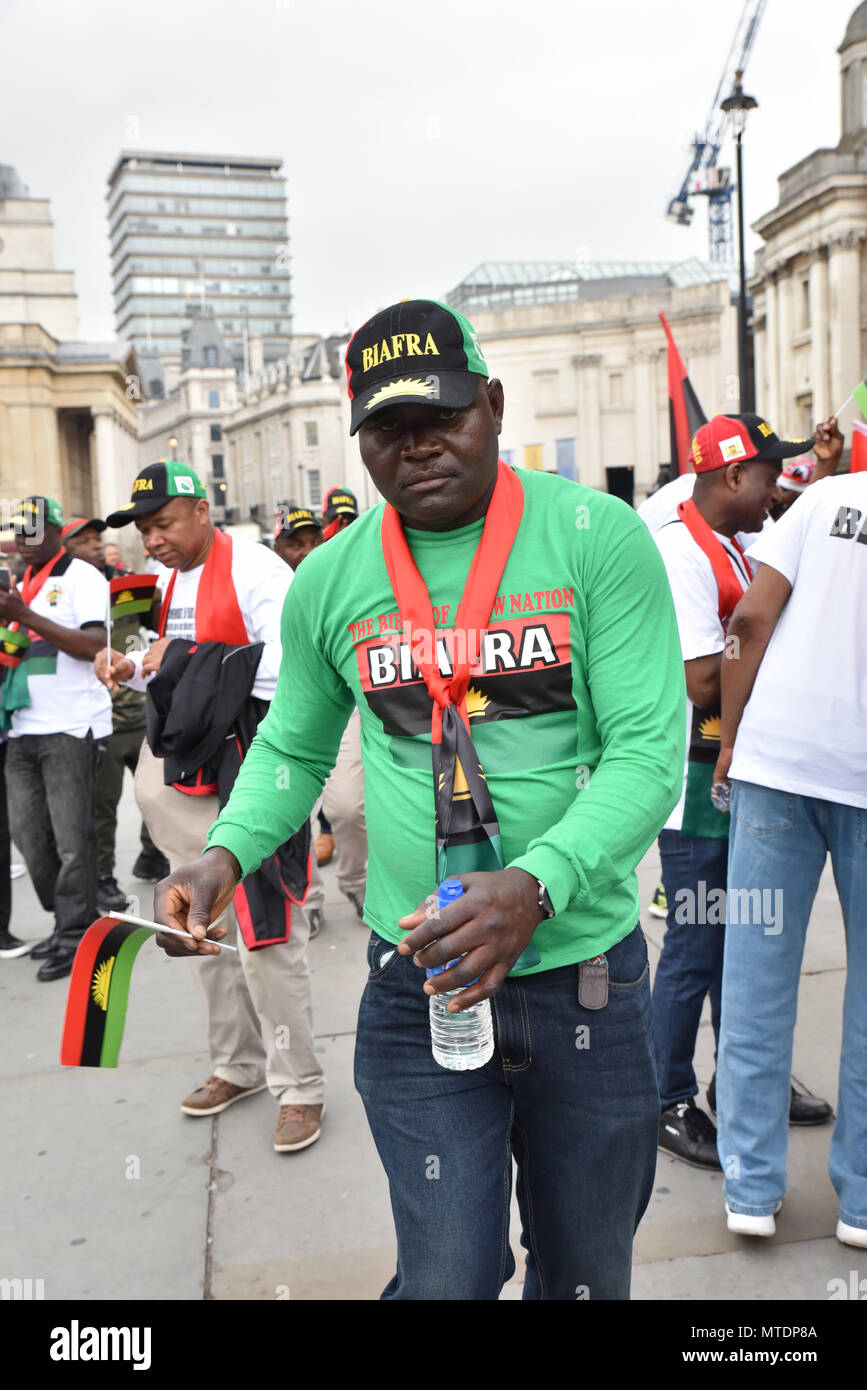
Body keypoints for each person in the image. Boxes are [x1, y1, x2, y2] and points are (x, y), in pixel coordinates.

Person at [152, 296, 687, 1301]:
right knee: (446, 1274)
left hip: (584, 985)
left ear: (491, 403)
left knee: (585, 1274)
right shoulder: (331, 582)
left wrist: (536, 883)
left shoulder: (595, 538)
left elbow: (648, 754)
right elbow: (293, 746)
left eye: (443, 416)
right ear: (361, 442)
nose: (420, 445)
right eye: (389, 428)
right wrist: (223, 851)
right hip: (419, 985)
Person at [97, 461, 326, 1153]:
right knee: (193, 927)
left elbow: (291, 668)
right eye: (143, 529)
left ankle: (301, 1087)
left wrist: (180, 656)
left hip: (246, 771)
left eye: (163, 524)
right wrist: (125, 664)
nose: (153, 540)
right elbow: (141, 654)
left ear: (201, 510)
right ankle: (239, 1064)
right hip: (179, 778)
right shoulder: (150, 582)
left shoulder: (259, 571)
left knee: (266, 934)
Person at [651, 415, 836, 1170]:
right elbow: (700, 680)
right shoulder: (678, 550)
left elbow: (811, 539)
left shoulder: (737, 537)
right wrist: (761, 640)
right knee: (696, 943)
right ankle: (662, 1099)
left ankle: (742, 1084)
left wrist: (826, 472)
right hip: (694, 781)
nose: (776, 488)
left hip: (734, 772)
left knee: (743, 939)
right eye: (768, 475)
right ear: (732, 476)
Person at [713, 458, 867, 1246]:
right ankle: (863, 1201)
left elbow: (748, 622)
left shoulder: (826, 500)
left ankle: (748, 1185)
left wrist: (729, 736)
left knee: (754, 977)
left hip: (779, 762)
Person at [0, 496, 111, 980]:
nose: (25, 542)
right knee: (29, 838)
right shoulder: (21, 580)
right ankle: (66, 918)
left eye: (33, 531)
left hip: (69, 724)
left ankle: (76, 933)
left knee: (72, 841)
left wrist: (24, 616)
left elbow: (96, 646)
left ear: (56, 530)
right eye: (17, 532)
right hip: (22, 724)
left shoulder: (81, 576)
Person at [61, 517, 169, 911]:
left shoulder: (121, 587)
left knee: (157, 796)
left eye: (97, 539)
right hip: (98, 718)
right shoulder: (61, 597)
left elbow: (147, 633)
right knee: (102, 806)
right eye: (83, 541)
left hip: (140, 711)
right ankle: (104, 875)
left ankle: (152, 853)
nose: (94, 546)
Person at [273, 504, 368, 928]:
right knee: (289, 816)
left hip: (339, 708)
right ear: (277, 547)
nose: (306, 550)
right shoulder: (266, 584)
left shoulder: (338, 578)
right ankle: (306, 901)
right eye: (295, 543)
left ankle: (356, 882)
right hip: (275, 714)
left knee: (347, 807)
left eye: (313, 540)